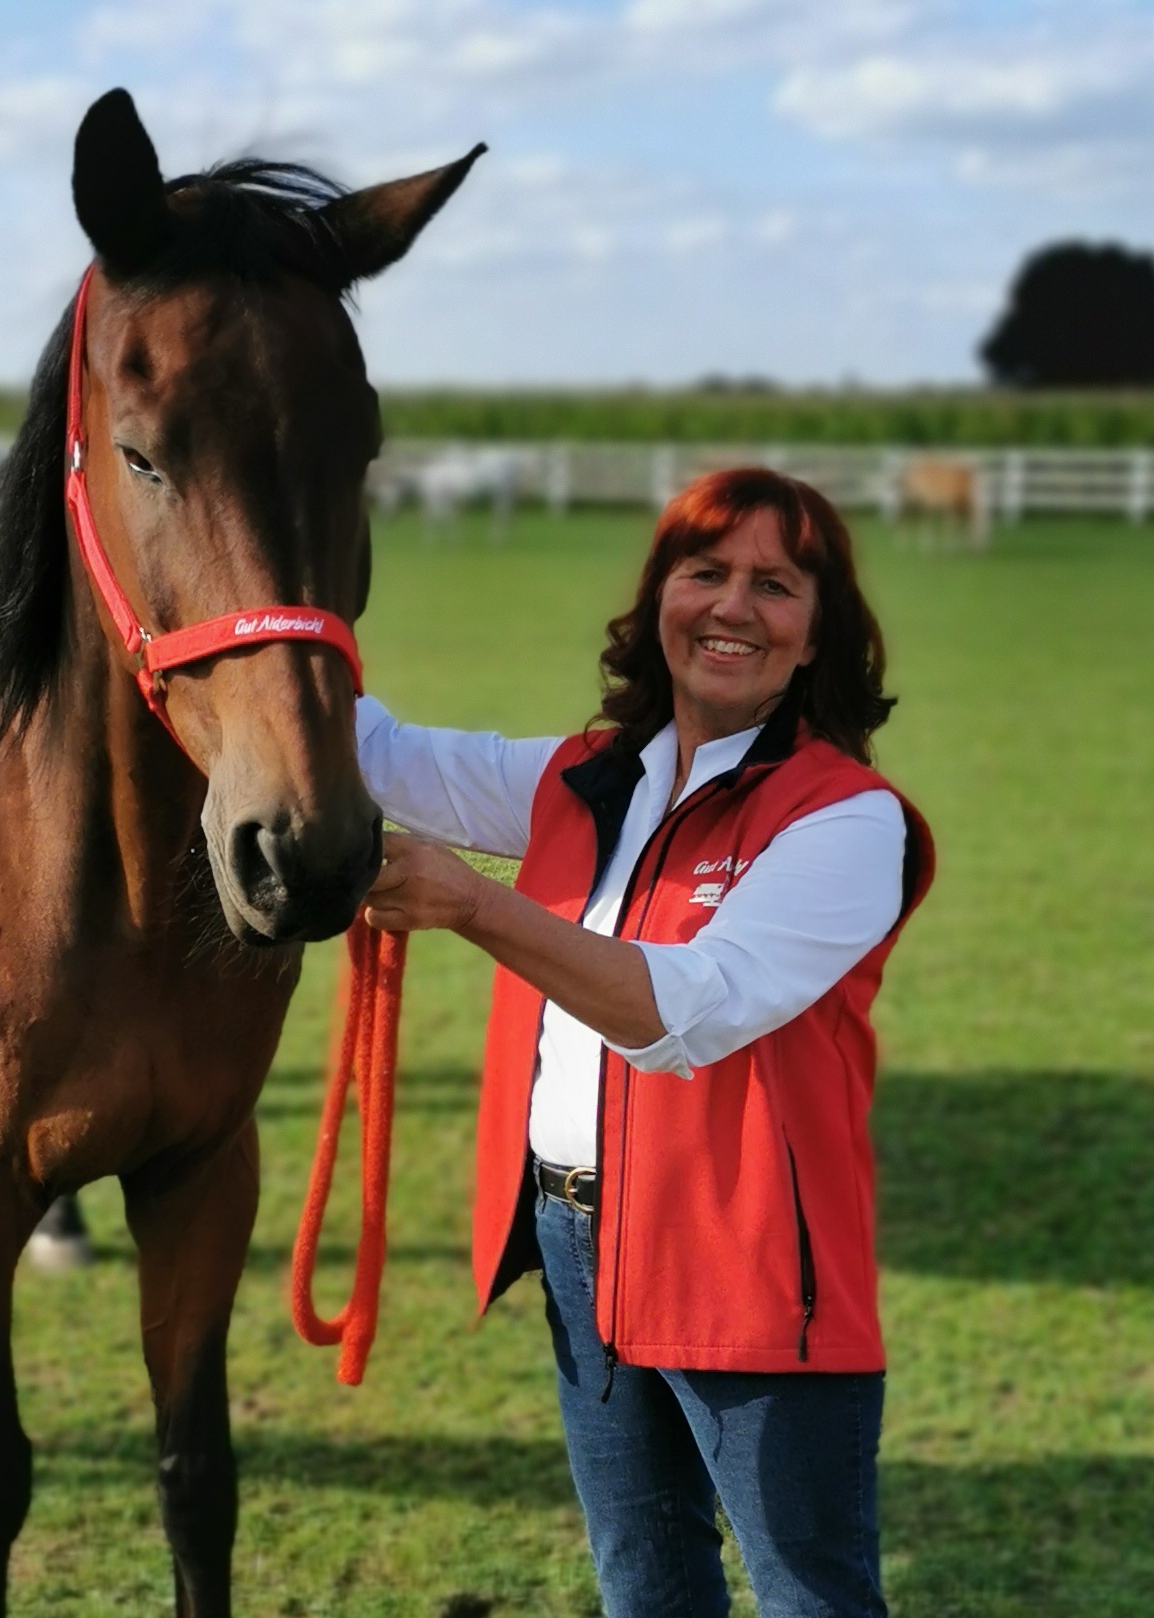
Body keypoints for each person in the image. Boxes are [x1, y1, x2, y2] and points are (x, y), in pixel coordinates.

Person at [357, 468, 933, 1618]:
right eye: (704, 571)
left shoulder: (847, 816)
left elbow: (689, 1011)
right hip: (576, 1237)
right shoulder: (586, 774)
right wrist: (274, 612)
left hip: (751, 1257)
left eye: (774, 584)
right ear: (658, 596)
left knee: (809, 1593)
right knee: (643, 1585)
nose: (731, 606)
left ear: (819, 631)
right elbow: (382, 756)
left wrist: (478, 905)